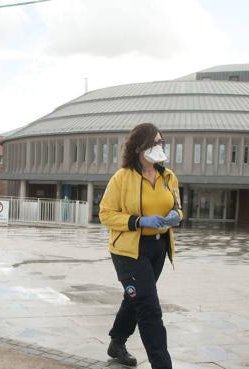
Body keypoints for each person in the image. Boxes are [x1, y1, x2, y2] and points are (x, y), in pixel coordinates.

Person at [99, 123, 183, 369]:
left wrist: (176, 216)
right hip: (128, 251)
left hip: (158, 249)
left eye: (161, 142)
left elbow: (178, 207)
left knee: (135, 298)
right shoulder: (121, 178)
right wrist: (137, 221)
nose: (159, 146)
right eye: (154, 142)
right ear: (138, 148)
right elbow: (105, 214)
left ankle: (117, 342)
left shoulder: (169, 177)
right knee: (149, 308)